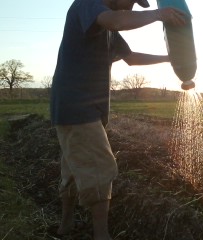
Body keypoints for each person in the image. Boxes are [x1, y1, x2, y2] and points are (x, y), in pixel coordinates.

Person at [50, 0, 187, 239]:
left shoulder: (109, 31)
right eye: (132, 0)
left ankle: (66, 226)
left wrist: (170, 58)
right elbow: (118, 20)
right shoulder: (87, 5)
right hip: (77, 108)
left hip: (79, 109)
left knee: (74, 167)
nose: (133, 8)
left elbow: (131, 57)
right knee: (101, 169)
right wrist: (159, 14)